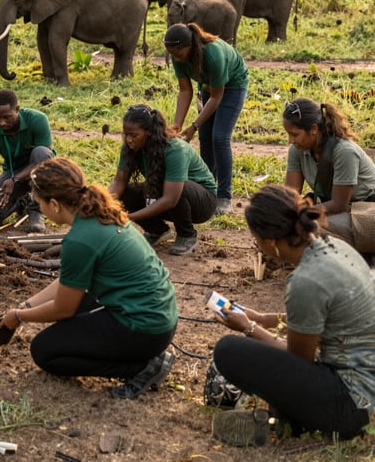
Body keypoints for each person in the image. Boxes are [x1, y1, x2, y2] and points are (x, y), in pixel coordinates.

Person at [0, 157, 178, 399]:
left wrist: (18, 317)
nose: (39, 208)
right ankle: (139, 356)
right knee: (72, 318)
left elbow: (63, 309)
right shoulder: (99, 213)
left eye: (39, 203)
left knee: (44, 351)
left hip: (145, 328)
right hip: (158, 315)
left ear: (55, 204)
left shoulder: (79, 239)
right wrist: (27, 305)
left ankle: (142, 367)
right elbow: (69, 283)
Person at [211, 184, 375, 445]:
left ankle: (290, 422)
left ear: (271, 241)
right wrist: (265, 318)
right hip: (368, 385)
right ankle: (288, 418)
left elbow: (298, 360)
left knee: (228, 350)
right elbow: (326, 315)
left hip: (351, 407)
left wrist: (249, 329)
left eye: (256, 240)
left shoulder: (305, 280)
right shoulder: (333, 245)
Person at [163, 22, 249, 216]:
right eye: (172, 54)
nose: (176, 58)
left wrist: (193, 125)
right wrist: (177, 124)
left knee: (219, 137)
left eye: (178, 53)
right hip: (209, 85)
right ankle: (206, 190)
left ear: (190, 46)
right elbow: (185, 90)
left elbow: (217, 96)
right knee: (205, 137)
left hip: (233, 86)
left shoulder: (213, 54)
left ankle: (224, 196)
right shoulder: (178, 55)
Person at [108, 104, 217, 255]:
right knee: (124, 195)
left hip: (202, 202)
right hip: (165, 192)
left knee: (177, 189)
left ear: (149, 133)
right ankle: (157, 230)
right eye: (126, 134)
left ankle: (187, 235)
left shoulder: (175, 149)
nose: (128, 140)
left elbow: (171, 199)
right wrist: (103, 206)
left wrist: (127, 217)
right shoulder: (130, 148)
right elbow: (119, 181)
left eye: (134, 135)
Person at [283, 98, 375, 254]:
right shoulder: (297, 150)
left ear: (313, 129)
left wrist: (301, 215)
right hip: (344, 211)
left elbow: (339, 205)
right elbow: (291, 195)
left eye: (294, 134)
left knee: (312, 231)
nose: (291, 140)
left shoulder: (344, 151)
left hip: (366, 211)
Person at [0, 89, 54, 233]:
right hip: (14, 173)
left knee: (41, 152)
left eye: (7, 117)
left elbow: (44, 161)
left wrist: (15, 179)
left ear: (17, 109)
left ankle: (36, 209)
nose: (2, 123)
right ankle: (22, 201)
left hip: (40, 170)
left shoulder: (37, 120)